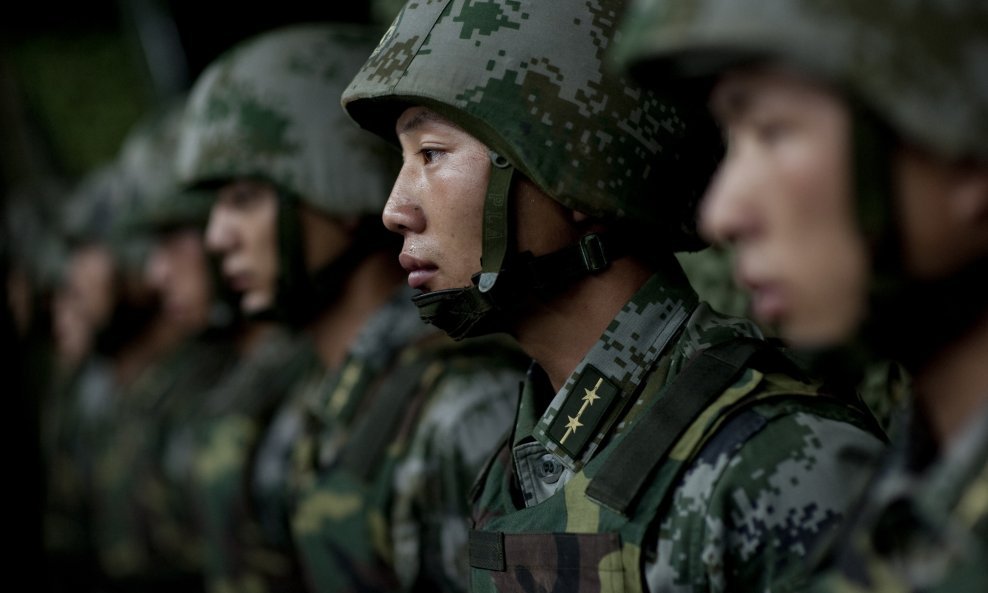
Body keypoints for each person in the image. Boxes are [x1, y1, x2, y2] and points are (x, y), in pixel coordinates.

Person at [341, 1, 889, 591]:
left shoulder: (778, 459)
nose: (396, 211)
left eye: (432, 154)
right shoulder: (520, 461)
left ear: (577, 173)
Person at [613, 0, 988, 590]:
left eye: (773, 130)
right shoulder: (911, 502)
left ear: (967, 153)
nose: (719, 216)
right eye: (733, 141)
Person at [175, 22, 528, 593]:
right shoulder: (318, 402)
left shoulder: (462, 408)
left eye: (245, 198)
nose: (219, 237)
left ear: (338, 189)